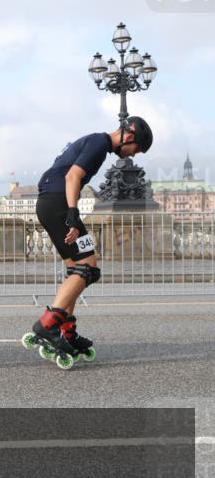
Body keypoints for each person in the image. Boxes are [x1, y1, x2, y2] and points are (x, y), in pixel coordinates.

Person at [28, 116, 153, 365]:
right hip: (59, 204)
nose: (134, 155)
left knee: (77, 268)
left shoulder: (95, 141)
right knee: (89, 268)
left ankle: (66, 331)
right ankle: (48, 325)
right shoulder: (99, 142)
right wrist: (73, 215)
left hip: (50, 203)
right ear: (129, 137)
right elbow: (73, 177)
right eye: (136, 149)